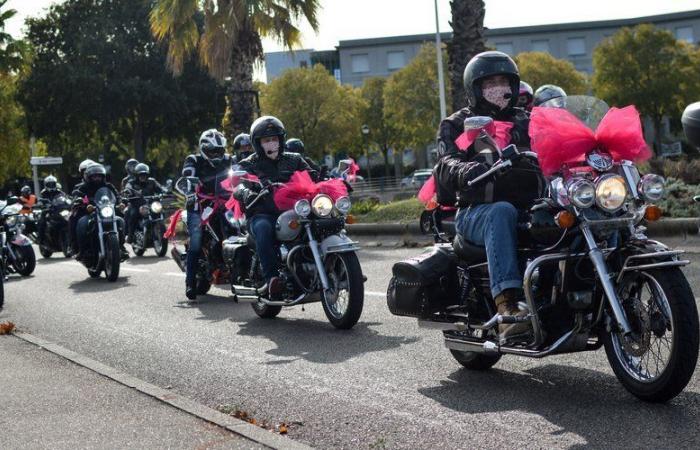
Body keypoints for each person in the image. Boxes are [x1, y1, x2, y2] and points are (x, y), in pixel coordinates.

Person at [434, 50, 537, 341]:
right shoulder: (456, 123)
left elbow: (555, 145)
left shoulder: (527, 120)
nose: (499, 89)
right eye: (490, 83)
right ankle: (507, 307)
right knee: (501, 210)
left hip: (529, 207)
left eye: (504, 82)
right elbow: (445, 162)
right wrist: (465, 168)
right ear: (476, 88)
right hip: (476, 211)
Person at [234, 117, 315, 298]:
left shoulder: (295, 159)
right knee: (263, 228)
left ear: (281, 140)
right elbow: (238, 185)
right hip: (263, 212)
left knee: (326, 218)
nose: (271, 143)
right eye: (266, 140)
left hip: (296, 210)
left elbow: (314, 175)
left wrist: (332, 181)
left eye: (274, 139)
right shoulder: (248, 163)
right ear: (257, 143)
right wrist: (246, 192)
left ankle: (341, 268)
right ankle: (272, 279)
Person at [181, 129, 235, 300]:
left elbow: (241, 175)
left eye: (219, 150)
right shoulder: (193, 160)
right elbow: (188, 176)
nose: (216, 154)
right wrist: (190, 192)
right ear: (203, 149)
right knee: (196, 240)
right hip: (200, 204)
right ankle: (190, 283)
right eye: (212, 151)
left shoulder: (229, 160)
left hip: (226, 203)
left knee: (241, 230)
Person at [70, 163, 127, 261]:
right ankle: (81, 250)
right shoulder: (84, 188)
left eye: (99, 176)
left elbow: (117, 196)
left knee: (120, 221)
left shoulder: (108, 186)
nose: (97, 178)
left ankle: (121, 247)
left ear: (103, 176)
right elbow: (79, 196)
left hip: (107, 211)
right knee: (82, 223)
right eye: (94, 176)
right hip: (90, 213)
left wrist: (121, 202)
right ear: (89, 177)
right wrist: (82, 202)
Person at [123, 163, 166, 243]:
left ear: (147, 175)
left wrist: (164, 192)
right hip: (136, 205)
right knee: (133, 214)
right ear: (137, 175)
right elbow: (127, 188)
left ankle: (160, 231)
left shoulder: (152, 182)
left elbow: (160, 188)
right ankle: (131, 235)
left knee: (161, 211)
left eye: (145, 174)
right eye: (141, 174)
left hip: (151, 204)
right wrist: (128, 191)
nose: (143, 176)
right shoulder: (132, 183)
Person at [37, 175, 67, 245]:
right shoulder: (43, 193)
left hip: (58, 209)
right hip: (48, 210)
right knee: (42, 221)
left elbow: (65, 197)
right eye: (49, 184)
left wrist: (68, 201)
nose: (51, 185)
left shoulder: (59, 191)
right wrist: (42, 204)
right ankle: (41, 239)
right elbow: (40, 200)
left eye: (52, 184)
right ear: (45, 185)